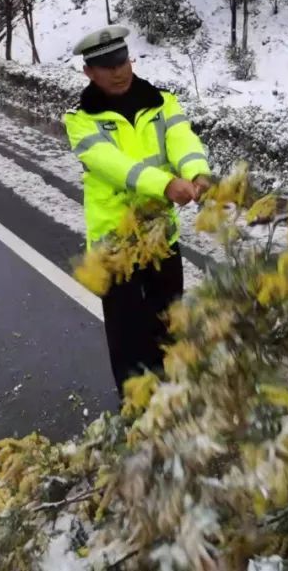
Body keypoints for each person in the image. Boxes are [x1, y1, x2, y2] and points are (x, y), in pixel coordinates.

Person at [64, 25, 213, 395]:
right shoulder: (80, 120)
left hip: (162, 236)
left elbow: (182, 139)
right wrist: (164, 184)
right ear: (89, 72)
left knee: (169, 323)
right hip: (116, 245)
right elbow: (111, 164)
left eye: (121, 61)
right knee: (127, 336)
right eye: (106, 65)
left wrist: (197, 172)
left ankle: (171, 401)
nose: (118, 71)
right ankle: (136, 411)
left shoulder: (163, 102)